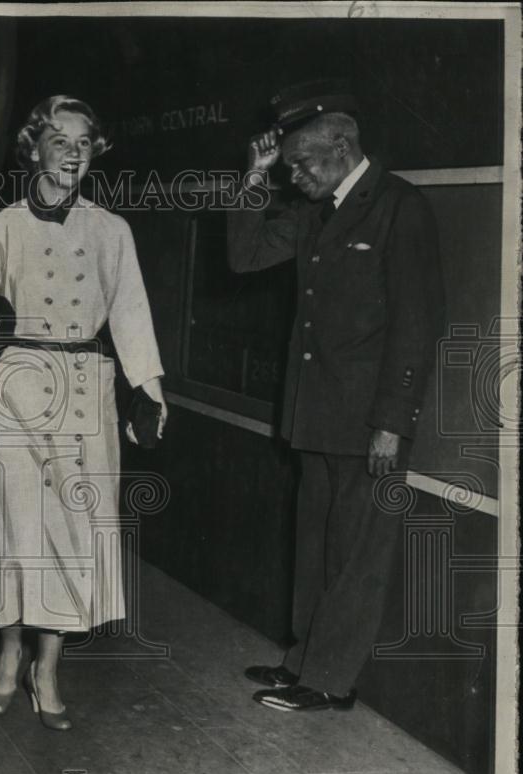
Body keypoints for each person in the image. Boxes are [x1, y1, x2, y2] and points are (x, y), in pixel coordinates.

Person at [227, 79, 445, 711]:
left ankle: (329, 680)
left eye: (303, 162)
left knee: (357, 555)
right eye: (288, 164)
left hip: (368, 419)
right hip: (316, 411)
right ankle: (303, 659)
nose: (295, 175)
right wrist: (255, 178)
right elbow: (243, 257)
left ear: (343, 145)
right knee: (318, 545)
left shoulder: (400, 207)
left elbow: (416, 324)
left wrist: (392, 422)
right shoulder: (310, 213)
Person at [0, 95, 167, 730]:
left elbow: (131, 316)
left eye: (83, 141)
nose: (72, 152)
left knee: (76, 541)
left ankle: (48, 668)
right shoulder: (0, 226)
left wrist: (151, 392)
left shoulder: (111, 230)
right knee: (19, 539)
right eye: (59, 140)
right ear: (35, 149)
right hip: (16, 388)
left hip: (87, 395)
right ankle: (11, 648)